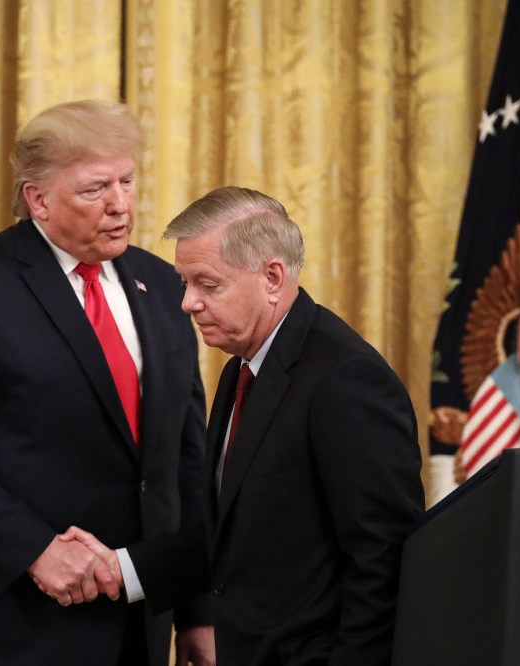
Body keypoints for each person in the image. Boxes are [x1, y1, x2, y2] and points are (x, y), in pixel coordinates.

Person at [0, 100, 213, 665]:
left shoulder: (162, 284)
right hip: (3, 621)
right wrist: (34, 549)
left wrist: (197, 610)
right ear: (37, 198)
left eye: (127, 181)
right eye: (94, 189)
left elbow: (185, 459)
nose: (119, 205)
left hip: (136, 625)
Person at [69, 185, 424, 665]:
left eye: (208, 284)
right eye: (184, 284)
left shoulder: (345, 380)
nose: (187, 304)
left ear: (272, 278)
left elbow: (384, 558)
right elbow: (231, 534)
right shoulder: (243, 365)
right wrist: (121, 569)